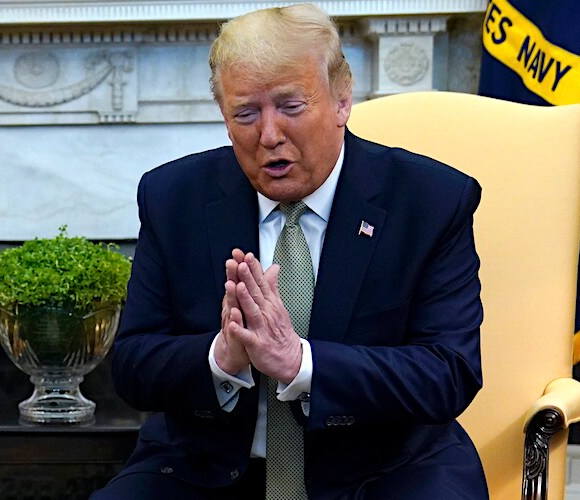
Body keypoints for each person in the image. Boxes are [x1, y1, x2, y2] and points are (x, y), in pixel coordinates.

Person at [92, 3, 488, 499]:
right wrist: (221, 357)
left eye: (291, 107)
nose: (270, 135)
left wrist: (300, 362)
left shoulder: (429, 201)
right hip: (207, 470)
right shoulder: (174, 197)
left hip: (385, 472)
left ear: (342, 100)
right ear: (224, 117)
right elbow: (132, 365)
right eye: (246, 114)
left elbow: (448, 372)